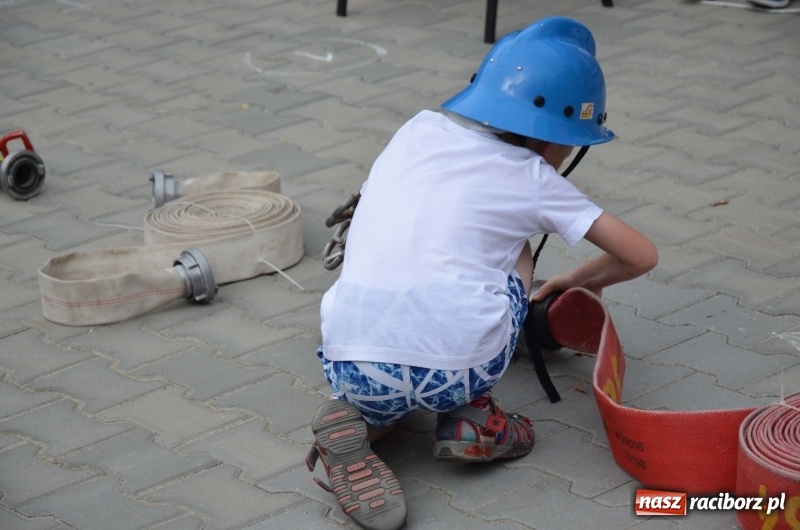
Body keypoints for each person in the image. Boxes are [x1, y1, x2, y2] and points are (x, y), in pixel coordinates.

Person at [305, 16, 658, 530]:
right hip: (458, 366)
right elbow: (641, 256)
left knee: (397, 363)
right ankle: (474, 417)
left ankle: (356, 420)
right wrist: (574, 281)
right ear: (561, 138)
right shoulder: (534, 177)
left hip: (350, 357)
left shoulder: (418, 128)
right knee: (516, 248)